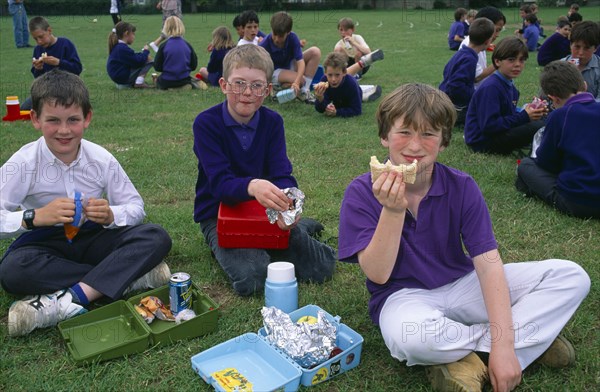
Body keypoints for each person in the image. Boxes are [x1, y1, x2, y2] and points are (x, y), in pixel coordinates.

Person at [338, 82, 590, 392]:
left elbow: (487, 263)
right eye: (404, 132)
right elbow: (377, 273)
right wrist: (392, 211)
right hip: (402, 297)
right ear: (384, 136)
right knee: (411, 338)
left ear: (443, 142)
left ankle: (484, 352)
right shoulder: (361, 192)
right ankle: (531, 340)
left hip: (461, 283)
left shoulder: (461, 186)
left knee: (570, 276)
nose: (415, 146)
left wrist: (503, 345)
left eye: (428, 134)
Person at [0, 70, 173, 337]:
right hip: (46, 243)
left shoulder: (100, 158)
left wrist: (110, 214)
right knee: (12, 271)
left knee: (156, 236)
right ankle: (127, 278)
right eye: (53, 120)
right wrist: (33, 217)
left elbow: (135, 207)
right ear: (35, 119)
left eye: (73, 120)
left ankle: (71, 297)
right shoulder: (24, 163)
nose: (64, 130)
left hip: (94, 237)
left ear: (87, 118)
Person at [192, 45, 336, 296]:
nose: (247, 93)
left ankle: (299, 229)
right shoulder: (206, 124)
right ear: (224, 85)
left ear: (268, 90)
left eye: (257, 85)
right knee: (255, 279)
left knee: (321, 268)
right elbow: (220, 183)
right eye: (239, 83)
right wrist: (252, 185)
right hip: (219, 213)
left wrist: (289, 201)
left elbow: (282, 172)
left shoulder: (272, 122)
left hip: (264, 211)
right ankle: (222, 245)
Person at [516, 61, 600, 219]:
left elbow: (547, 163)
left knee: (526, 165)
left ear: (553, 98)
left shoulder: (560, 116)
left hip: (577, 201)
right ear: (584, 85)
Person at [464, 37, 546, 156]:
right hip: (482, 141)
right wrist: (524, 117)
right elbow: (489, 126)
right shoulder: (491, 87)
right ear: (497, 61)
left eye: (522, 60)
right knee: (539, 126)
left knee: (545, 119)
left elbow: (507, 114)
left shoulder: (509, 85)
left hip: (497, 133)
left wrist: (529, 110)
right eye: (511, 60)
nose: (517, 64)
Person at [440, 18, 495, 126]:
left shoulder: (462, 52)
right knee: (488, 112)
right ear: (488, 41)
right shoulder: (469, 59)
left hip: (445, 100)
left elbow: (446, 72)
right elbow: (456, 86)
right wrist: (475, 96)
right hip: (455, 107)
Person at [259, 11, 322, 103]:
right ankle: (277, 87)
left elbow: (300, 63)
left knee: (315, 52)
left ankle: (304, 91)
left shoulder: (293, 37)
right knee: (301, 80)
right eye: (274, 34)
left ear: (288, 32)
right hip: (275, 72)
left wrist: (295, 82)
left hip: (289, 66)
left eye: (280, 36)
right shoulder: (265, 44)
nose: (276, 39)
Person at [459, 7, 506, 88]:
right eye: (497, 30)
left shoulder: (479, 43)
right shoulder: (471, 47)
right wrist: (498, 63)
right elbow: (477, 77)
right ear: (486, 26)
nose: (498, 35)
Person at [153, 16, 200, 90]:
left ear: (165, 28)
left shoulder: (163, 46)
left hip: (167, 81)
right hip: (184, 80)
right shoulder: (187, 45)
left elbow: (157, 66)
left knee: (158, 80)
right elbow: (193, 65)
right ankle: (183, 86)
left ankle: (171, 88)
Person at [107, 21, 154, 89]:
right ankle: (139, 83)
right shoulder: (122, 48)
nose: (134, 36)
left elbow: (132, 56)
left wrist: (142, 53)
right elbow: (138, 61)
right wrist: (146, 51)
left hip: (119, 78)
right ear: (126, 33)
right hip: (122, 79)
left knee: (144, 57)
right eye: (133, 34)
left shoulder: (118, 46)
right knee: (149, 59)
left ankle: (136, 82)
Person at [313, 52, 362, 118]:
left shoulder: (351, 83)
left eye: (337, 75)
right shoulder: (324, 81)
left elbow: (357, 110)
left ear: (344, 72)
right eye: (330, 75)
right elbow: (320, 109)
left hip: (350, 99)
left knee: (357, 96)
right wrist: (320, 98)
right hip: (337, 101)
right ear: (325, 73)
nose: (333, 79)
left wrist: (337, 112)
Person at [562, 21, 600, 99]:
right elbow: (547, 97)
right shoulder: (559, 66)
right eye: (577, 47)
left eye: (587, 48)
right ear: (570, 45)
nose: (581, 53)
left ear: (595, 48)